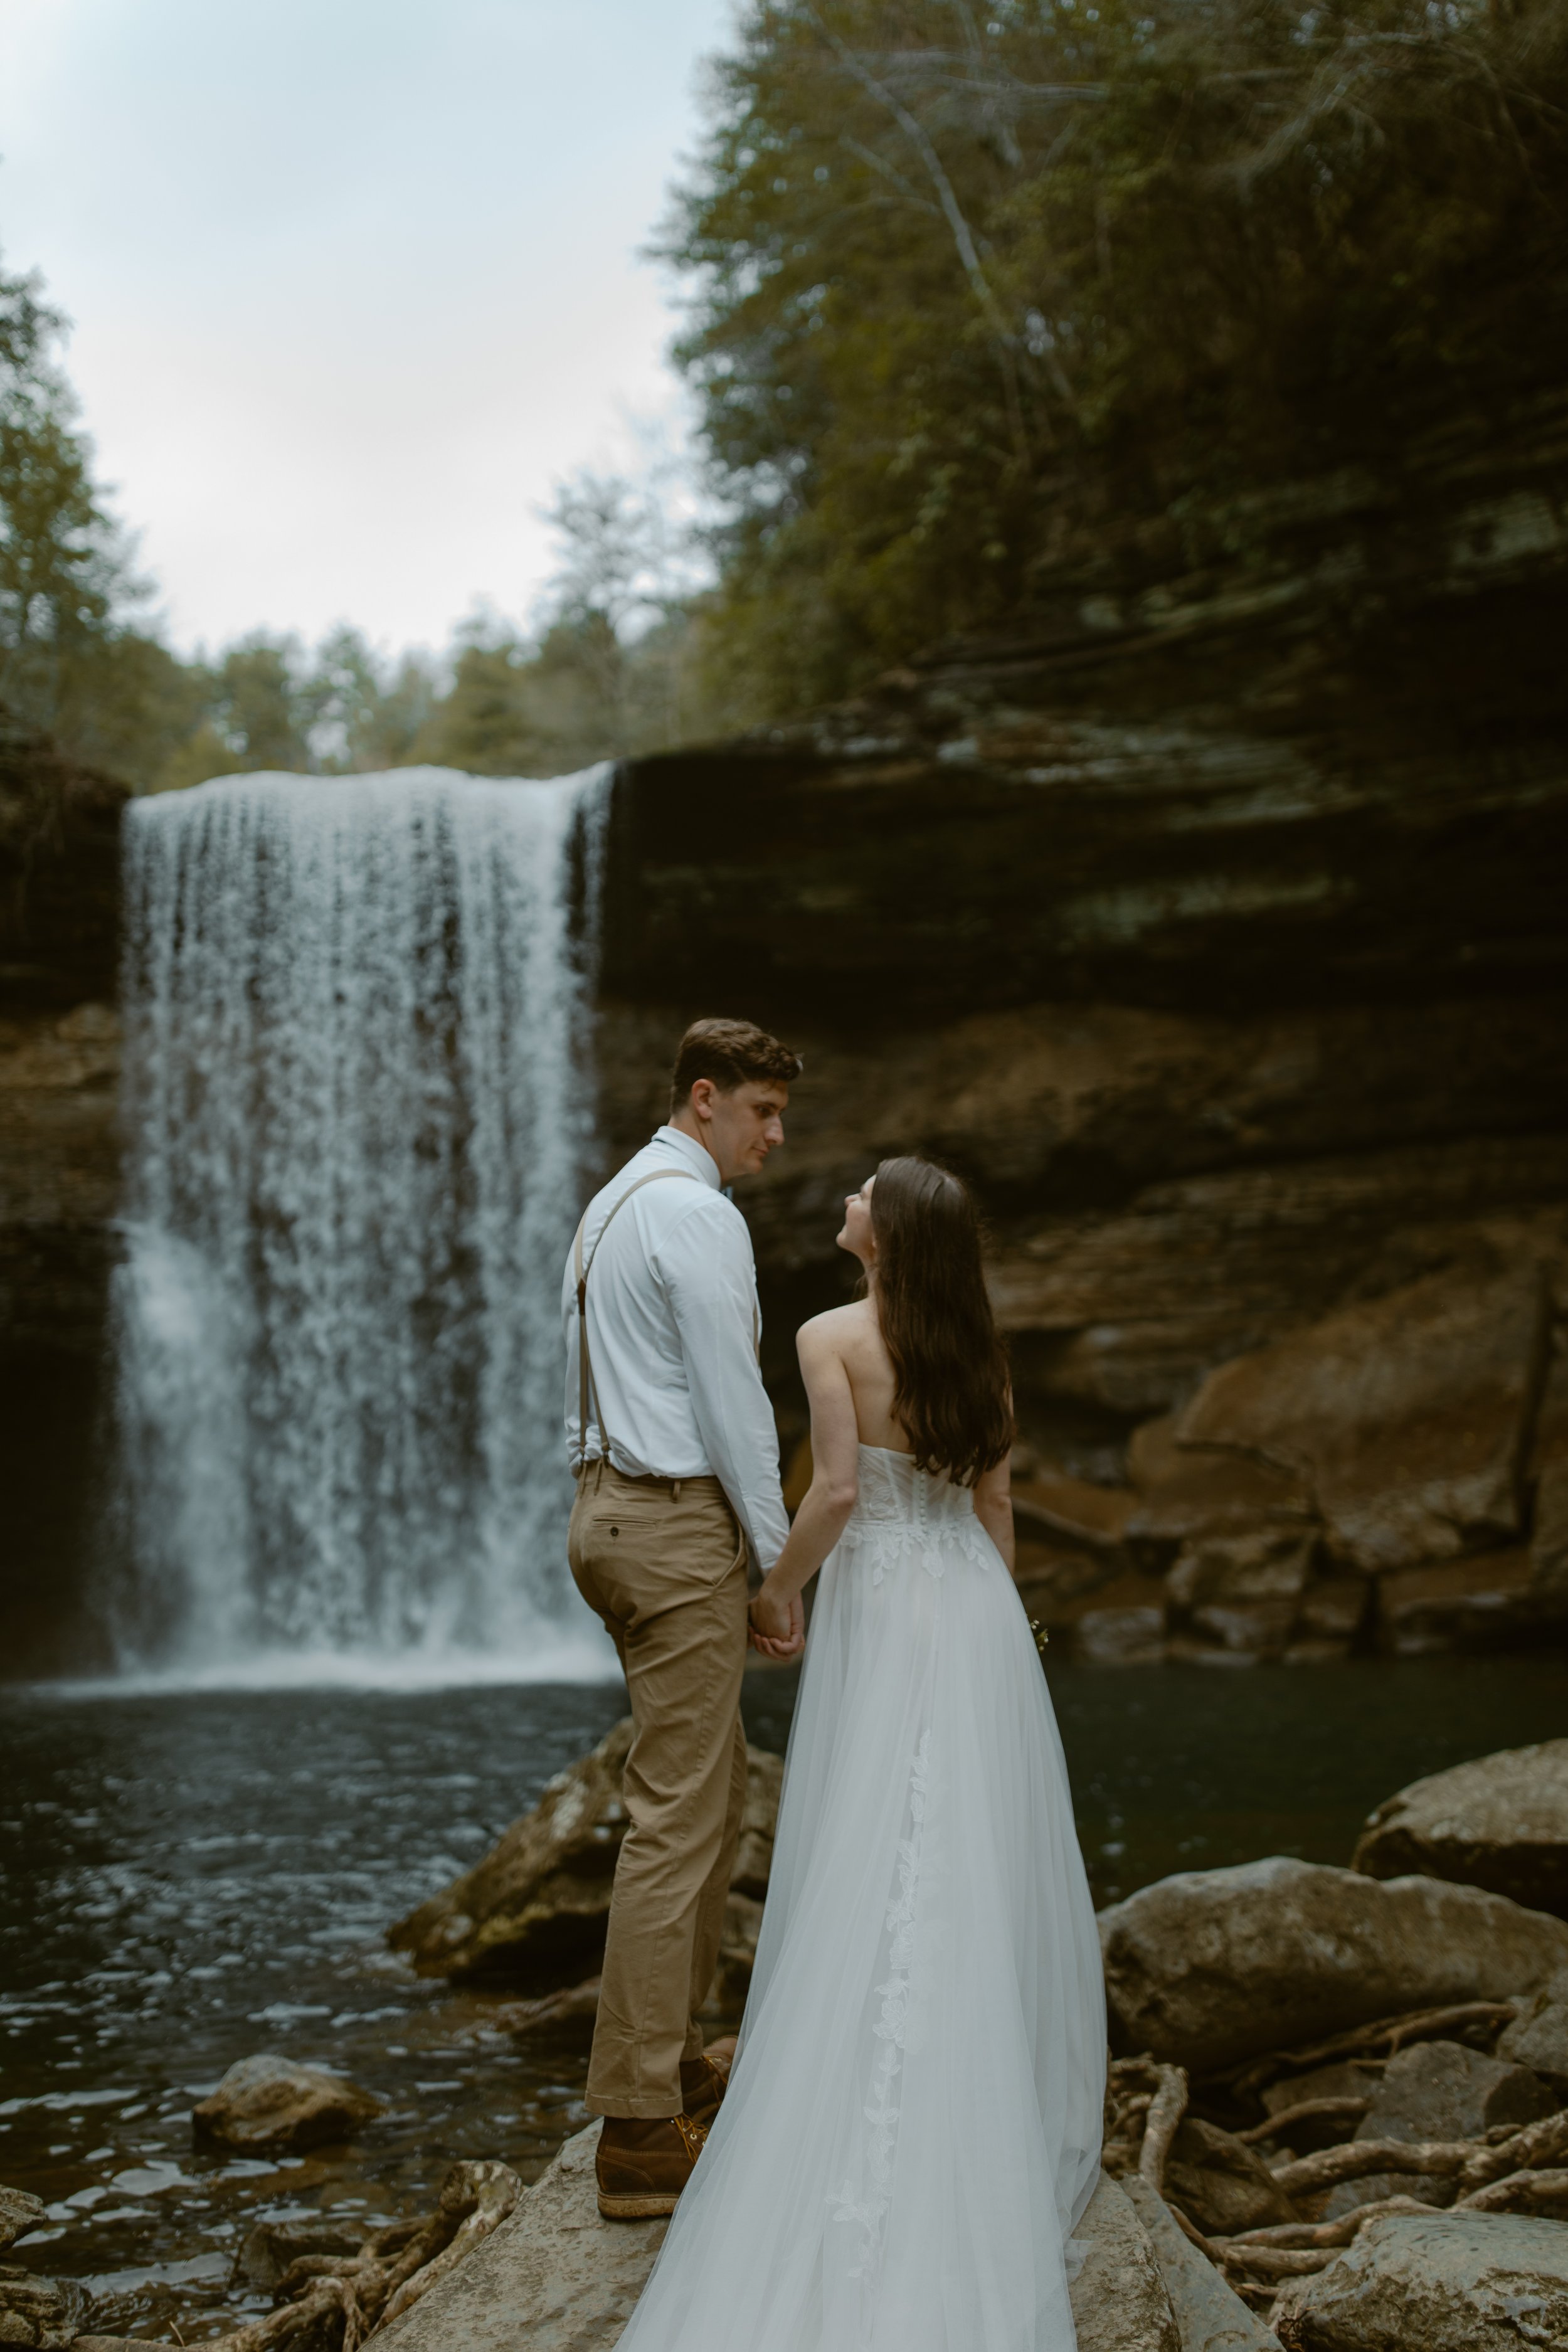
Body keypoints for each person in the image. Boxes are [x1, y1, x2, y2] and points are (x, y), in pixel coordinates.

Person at [613, 1156, 1106, 2352]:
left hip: (881, 1602)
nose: (842, 1198)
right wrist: (1004, 1621)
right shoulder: (979, 1353)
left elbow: (834, 1492)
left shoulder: (829, 1332)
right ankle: (972, 2104)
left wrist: (775, 1591)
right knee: (962, 1844)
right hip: (974, 1608)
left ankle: (844, 2093)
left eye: (860, 1192)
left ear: (883, 1235)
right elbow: (994, 1510)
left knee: (868, 1832)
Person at [563, 1015, 805, 2222]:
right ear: (702, 1096)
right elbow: (735, 1405)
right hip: (671, 1522)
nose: (774, 1136)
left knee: (702, 1796)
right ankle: (639, 2131)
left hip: (604, 1514)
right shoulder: (698, 1214)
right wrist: (776, 1565)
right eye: (761, 1110)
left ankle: (673, 2055)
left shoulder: (610, 1203)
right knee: (678, 1815)